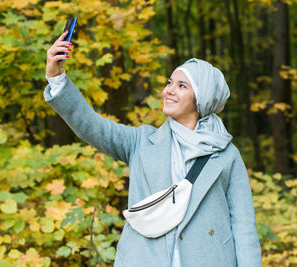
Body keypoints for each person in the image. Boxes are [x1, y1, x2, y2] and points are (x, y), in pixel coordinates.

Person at [44, 30, 262, 267]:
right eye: (169, 83)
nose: (168, 90)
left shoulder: (227, 154)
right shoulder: (141, 141)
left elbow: (243, 226)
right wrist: (56, 78)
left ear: (202, 98)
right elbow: (92, 126)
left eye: (181, 86)